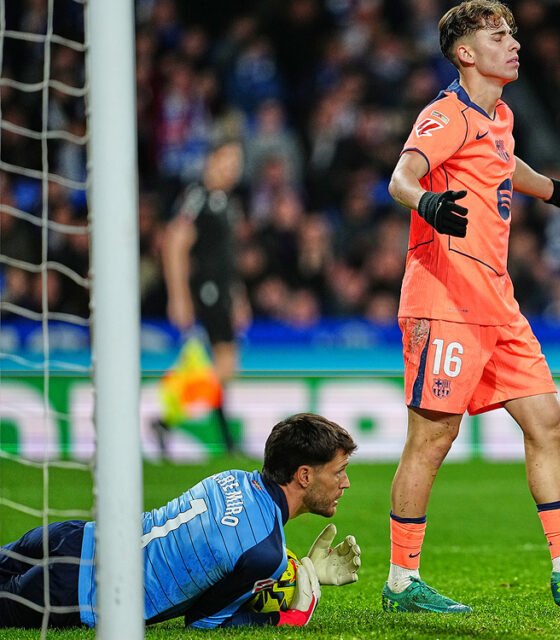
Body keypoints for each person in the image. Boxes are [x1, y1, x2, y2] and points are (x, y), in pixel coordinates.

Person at [384, 0, 560, 613]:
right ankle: (401, 581)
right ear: (465, 53)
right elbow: (402, 176)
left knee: (549, 424)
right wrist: (424, 204)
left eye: (513, 34)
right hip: (444, 298)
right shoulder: (444, 114)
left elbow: (503, 165)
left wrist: (555, 191)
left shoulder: (497, 116)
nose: (515, 44)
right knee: (432, 437)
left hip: (498, 303)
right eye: (499, 36)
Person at [0, 413, 361, 629]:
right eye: (339, 471)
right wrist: (290, 617)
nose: (345, 483)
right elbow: (204, 622)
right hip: (81, 590)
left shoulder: (233, 478)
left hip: (73, 537)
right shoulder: (265, 553)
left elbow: (216, 550)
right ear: (304, 476)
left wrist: (295, 568)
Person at [160, 139, 251, 454]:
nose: (232, 169)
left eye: (236, 163)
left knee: (221, 366)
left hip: (222, 291)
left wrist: (238, 295)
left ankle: (171, 422)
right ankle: (216, 437)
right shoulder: (197, 196)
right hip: (206, 289)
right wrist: (179, 295)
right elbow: (174, 242)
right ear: (211, 161)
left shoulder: (226, 201)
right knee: (225, 364)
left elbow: (228, 256)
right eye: (226, 161)